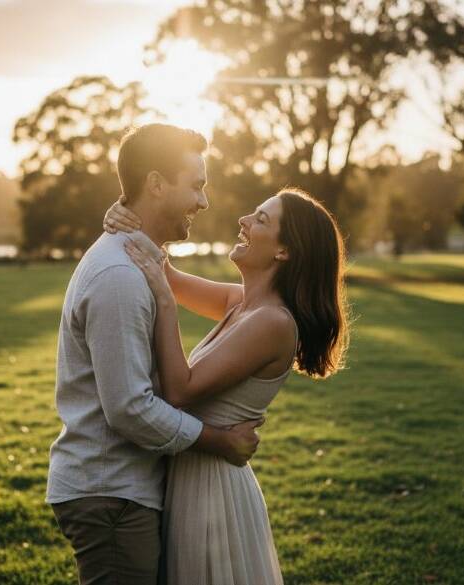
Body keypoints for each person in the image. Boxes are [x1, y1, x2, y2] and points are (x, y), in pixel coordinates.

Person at [46, 123, 265, 585]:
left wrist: (129, 211)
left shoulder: (137, 265)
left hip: (124, 491)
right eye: (197, 186)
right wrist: (219, 440)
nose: (204, 202)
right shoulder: (121, 277)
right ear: (157, 184)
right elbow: (129, 409)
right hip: (111, 495)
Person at [103, 187, 349, 584]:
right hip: (191, 477)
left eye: (261, 219)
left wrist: (165, 305)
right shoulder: (242, 304)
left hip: (211, 493)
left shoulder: (273, 323)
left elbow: (179, 391)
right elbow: (163, 271)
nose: (243, 221)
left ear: (283, 251)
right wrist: (127, 215)